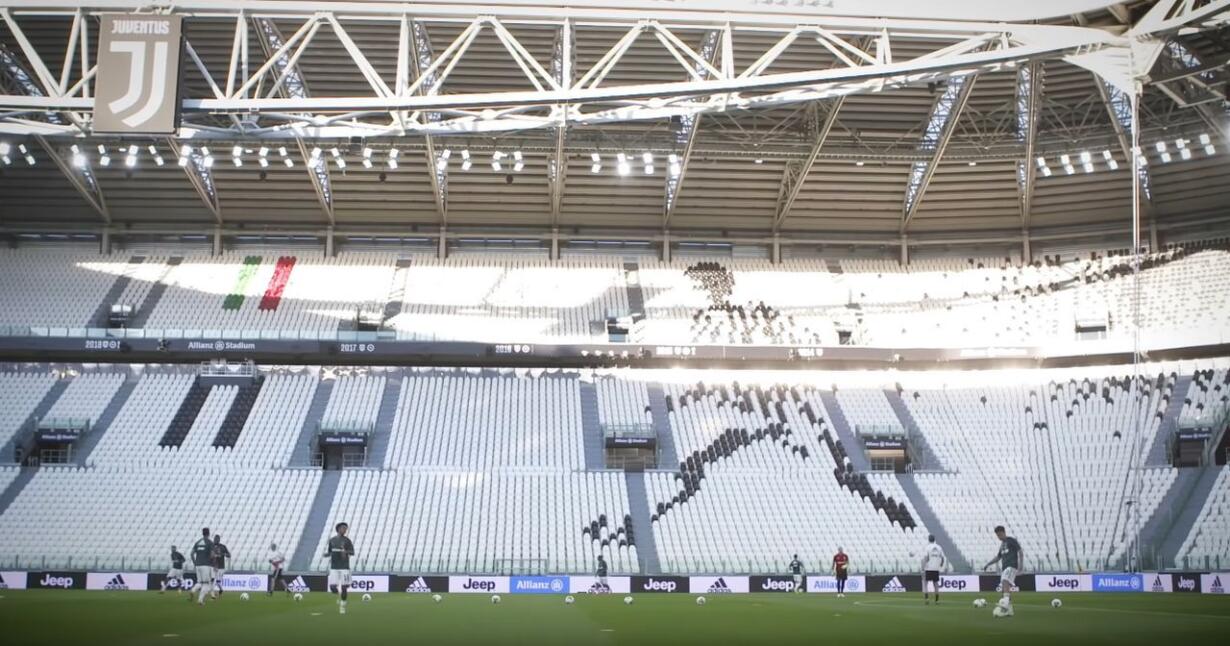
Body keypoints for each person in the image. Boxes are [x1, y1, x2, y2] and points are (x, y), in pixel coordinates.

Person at [982, 525, 1023, 616]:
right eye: (997, 535)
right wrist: (988, 564)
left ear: (1004, 532)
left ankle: (1005, 607)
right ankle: (1009, 610)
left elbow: (1020, 551)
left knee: (1005, 581)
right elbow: (998, 557)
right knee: (1004, 589)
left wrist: (1020, 567)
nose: (999, 537)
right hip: (1005, 568)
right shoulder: (1002, 545)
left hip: (1011, 566)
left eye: (1000, 535)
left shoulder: (1011, 540)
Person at [325, 522, 355, 614]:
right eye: (343, 528)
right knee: (332, 587)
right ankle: (339, 596)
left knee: (344, 587)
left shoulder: (347, 541)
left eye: (346, 529)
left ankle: (342, 605)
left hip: (344, 567)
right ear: (338, 529)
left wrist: (345, 552)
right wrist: (327, 554)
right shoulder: (332, 540)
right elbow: (330, 551)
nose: (345, 530)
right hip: (334, 567)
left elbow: (352, 552)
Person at [189, 528, 214, 606]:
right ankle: (200, 600)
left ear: (202, 533)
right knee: (206, 584)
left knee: (200, 582)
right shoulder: (210, 542)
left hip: (198, 565)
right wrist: (211, 560)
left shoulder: (197, 542)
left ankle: (193, 590)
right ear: (209, 533)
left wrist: (195, 563)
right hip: (205, 565)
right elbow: (212, 555)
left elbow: (191, 554)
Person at [921, 534, 946, 604]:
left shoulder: (927, 547)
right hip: (936, 568)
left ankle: (927, 599)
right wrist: (940, 565)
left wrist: (923, 567)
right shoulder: (939, 547)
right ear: (934, 539)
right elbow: (943, 558)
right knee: (936, 584)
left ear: (928, 539)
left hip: (928, 568)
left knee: (925, 584)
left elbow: (926, 558)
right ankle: (937, 600)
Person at [210, 534, 231, 599]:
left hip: (221, 567)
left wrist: (223, 554)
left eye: (217, 539)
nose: (216, 540)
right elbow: (209, 555)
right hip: (214, 566)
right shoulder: (211, 546)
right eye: (215, 539)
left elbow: (229, 555)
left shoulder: (223, 547)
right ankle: (212, 595)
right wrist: (213, 556)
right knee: (213, 580)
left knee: (217, 582)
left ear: (219, 540)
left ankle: (221, 589)